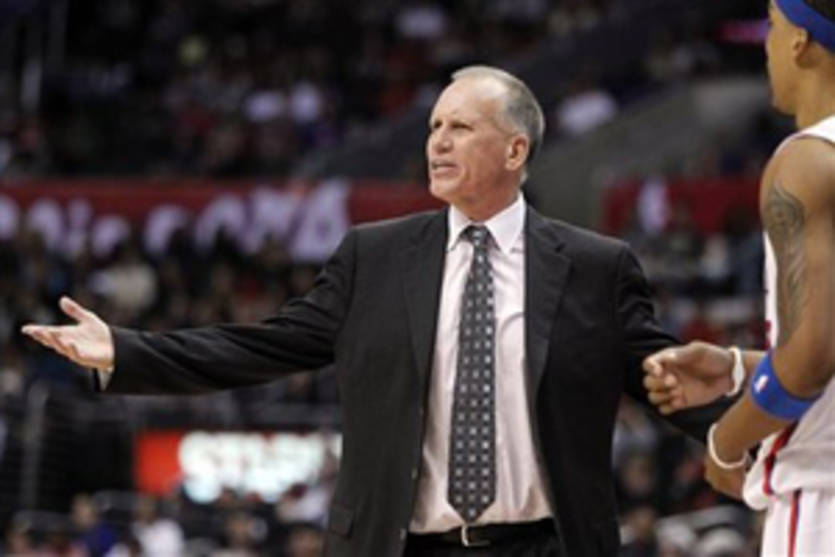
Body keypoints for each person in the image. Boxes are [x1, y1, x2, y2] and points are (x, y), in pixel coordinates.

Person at [23, 65, 722, 557]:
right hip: (400, 543)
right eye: (434, 125)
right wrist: (126, 350)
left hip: (546, 543)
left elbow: (669, 383)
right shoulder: (375, 256)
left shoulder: (596, 266)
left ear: (516, 149)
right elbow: (265, 345)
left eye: (460, 127)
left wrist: (756, 437)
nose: (437, 141)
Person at [643, 1, 835, 555]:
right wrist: (735, 369)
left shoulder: (808, 161)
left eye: (772, 27)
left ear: (800, 40)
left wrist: (725, 442)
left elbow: (809, 363)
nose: (768, 47)